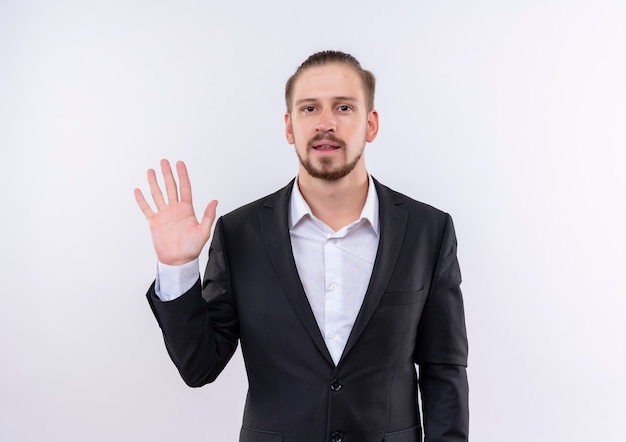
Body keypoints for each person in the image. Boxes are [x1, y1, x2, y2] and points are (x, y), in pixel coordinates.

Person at [135, 50, 469, 442]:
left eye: (343, 107)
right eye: (309, 109)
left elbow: (443, 370)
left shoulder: (427, 230)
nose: (325, 123)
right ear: (290, 126)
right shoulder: (240, 233)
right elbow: (198, 367)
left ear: (371, 124)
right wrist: (177, 268)